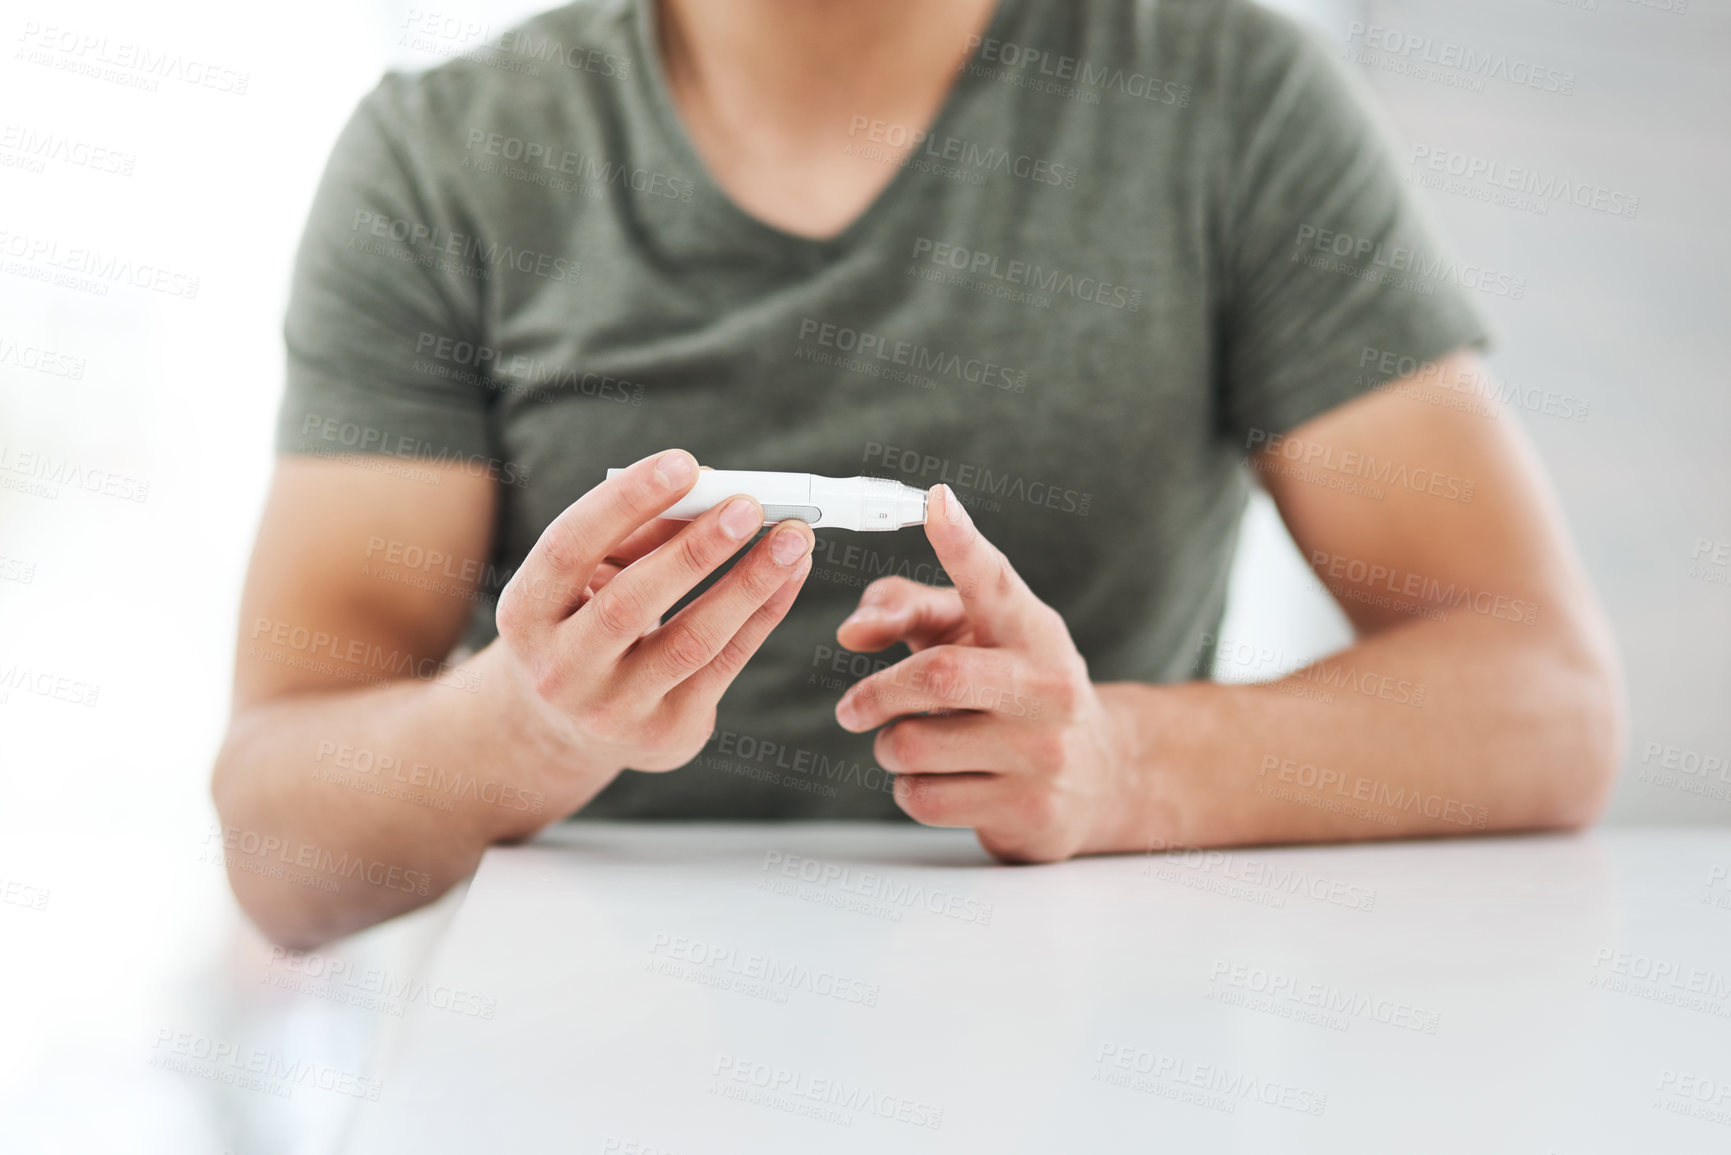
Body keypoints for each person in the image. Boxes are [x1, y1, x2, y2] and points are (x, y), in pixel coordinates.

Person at [211, 0, 1624, 949]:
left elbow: (1545, 702)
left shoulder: (1220, 94)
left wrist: (1119, 766)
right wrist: (529, 727)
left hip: (1081, 1025)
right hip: (585, 1039)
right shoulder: (446, 162)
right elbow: (279, 849)